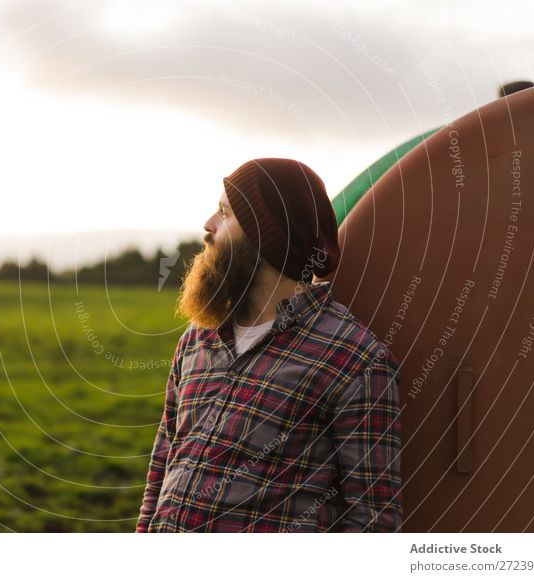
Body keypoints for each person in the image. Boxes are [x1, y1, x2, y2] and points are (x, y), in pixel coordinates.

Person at [135, 158, 403, 533]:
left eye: (225, 213)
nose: (208, 225)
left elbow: (373, 520)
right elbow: (161, 472)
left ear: (265, 235)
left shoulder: (354, 360)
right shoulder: (197, 339)